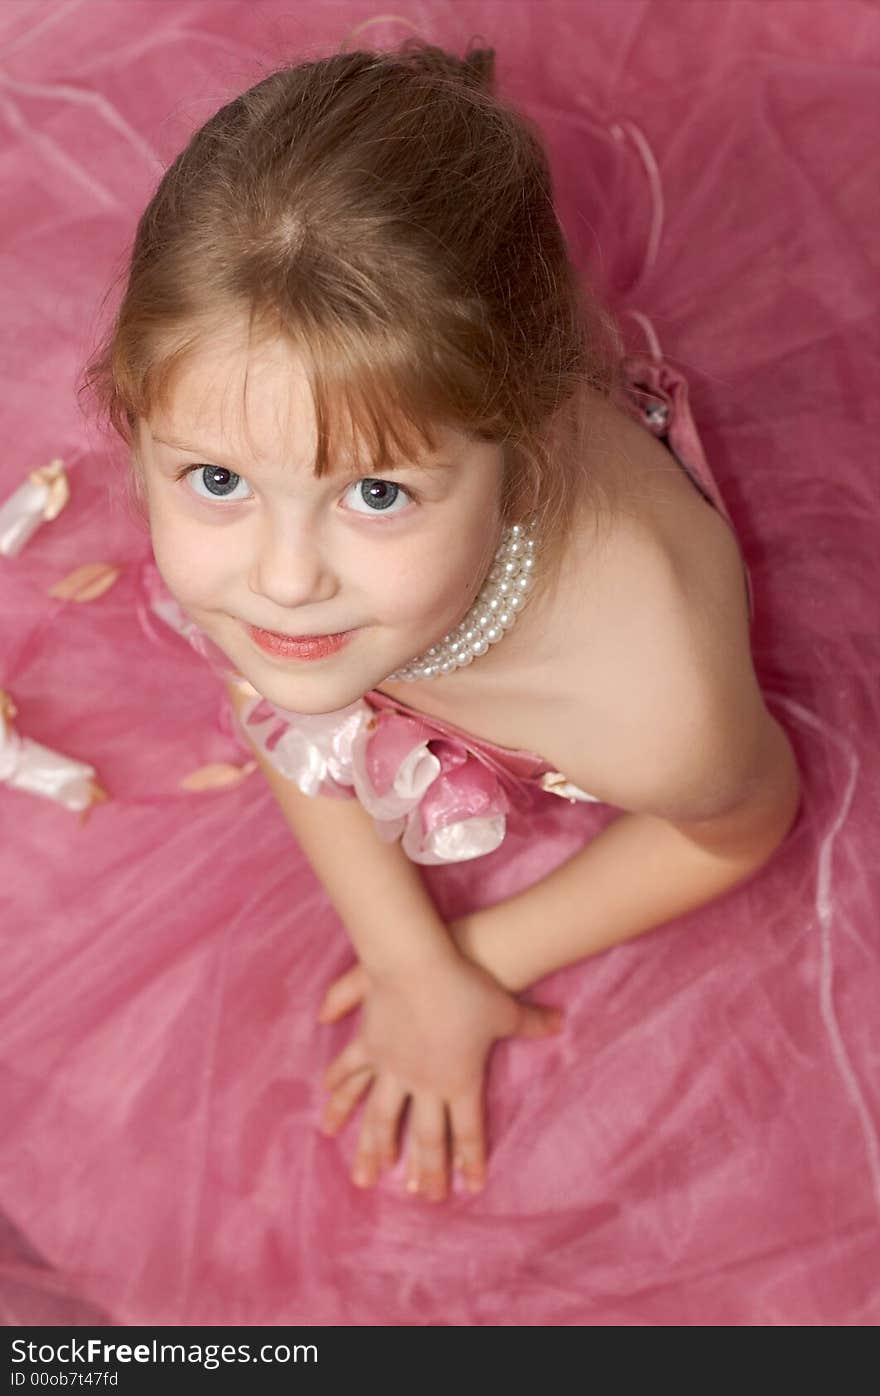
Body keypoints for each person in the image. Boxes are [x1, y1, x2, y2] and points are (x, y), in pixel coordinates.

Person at [82, 38, 801, 1206]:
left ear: (518, 468)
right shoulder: (293, 568)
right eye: (212, 479)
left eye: (375, 494)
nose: (282, 578)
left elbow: (744, 816)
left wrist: (473, 962)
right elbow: (270, 696)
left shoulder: (648, 699)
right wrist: (402, 954)